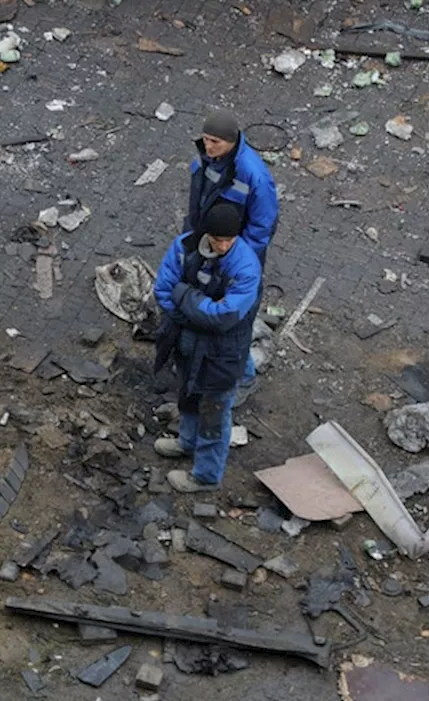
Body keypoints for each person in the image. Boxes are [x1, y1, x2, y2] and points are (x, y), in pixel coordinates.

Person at [151, 204, 262, 492]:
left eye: (229, 240)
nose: (223, 246)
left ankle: (206, 476)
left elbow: (223, 317)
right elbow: (162, 290)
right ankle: (187, 442)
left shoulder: (246, 267)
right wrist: (197, 316)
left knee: (215, 413)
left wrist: (184, 295)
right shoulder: (184, 247)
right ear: (206, 234)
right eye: (217, 239)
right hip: (188, 345)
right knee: (188, 395)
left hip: (223, 354)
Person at [183, 110, 279, 405]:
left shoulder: (254, 174)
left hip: (232, 254)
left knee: (236, 324)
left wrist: (236, 259)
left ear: (231, 141)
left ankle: (244, 378)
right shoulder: (208, 159)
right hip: (209, 245)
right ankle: (225, 369)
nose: (208, 147)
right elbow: (198, 202)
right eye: (206, 140)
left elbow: (262, 225)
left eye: (214, 142)